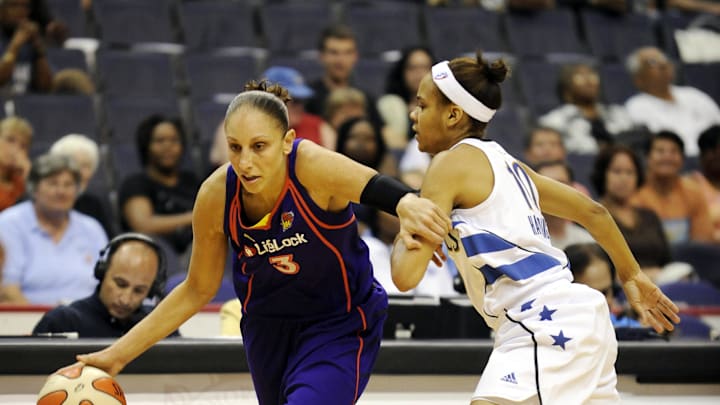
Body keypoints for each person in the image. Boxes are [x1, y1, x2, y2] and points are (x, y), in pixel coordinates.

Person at [63, 80, 450, 404]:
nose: (245, 161)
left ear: (287, 141)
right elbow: (196, 288)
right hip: (266, 330)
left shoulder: (311, 165)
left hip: (339, 323)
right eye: (235, 147)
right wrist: (117, 355)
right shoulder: (216, 193)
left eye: (259, 146)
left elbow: (377, 187)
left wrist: (411, 210)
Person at [390, 53, 679, 404]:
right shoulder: (509, 165)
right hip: (577, 316)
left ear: (453, 114)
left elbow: (405, 275)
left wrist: (407, 216)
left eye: (422, 105)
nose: (413, 115)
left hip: (543, 322)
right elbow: (594, 212)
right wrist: (631, 274)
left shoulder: (447, 164)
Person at [0, 153, 107, 305]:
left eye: (68, 185)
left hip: (86, 321)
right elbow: (7, 291)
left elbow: (107, 285)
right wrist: (48, 323)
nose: (61, 191)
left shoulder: (92, 228)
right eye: (52, 183)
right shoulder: (9, 224)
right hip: (28, 322)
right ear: (34, 188)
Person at [32, 233, 180, 338]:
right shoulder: (62, 322)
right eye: (120, 284)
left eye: (139, 290)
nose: (126, 300)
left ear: (151, 290)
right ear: (102, 273)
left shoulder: (160, 326)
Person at [209, 66, 335, 168]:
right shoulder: (236, 126)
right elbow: (233, 174)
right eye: (294, 100)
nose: (299, 106)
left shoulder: (321, 128)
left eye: (301, 101)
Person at [118, 114, 199, 256]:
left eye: (174, 140)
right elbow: (143, 225)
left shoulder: (192, 181)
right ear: (146, 146)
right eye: (160, 141)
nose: (168, 146)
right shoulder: (135, 184)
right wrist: (194, 217)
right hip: (152, 257)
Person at [590, 144, 672, 280]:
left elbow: (667, 261)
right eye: (617, 171)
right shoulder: (591, 217)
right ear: (602, 174)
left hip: (661, 287)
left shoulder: (650, 216)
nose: (624, 178)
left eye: (630, 172)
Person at [624, 46, 720, 157]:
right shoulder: (636, 107)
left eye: (664, 59)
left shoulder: (693, 95)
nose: (663, 65)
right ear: (638, 79)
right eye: (653, 62)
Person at [631, 131, 714, 244]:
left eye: (674, 151)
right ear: (647, 157)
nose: (667, 157)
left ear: (682, 160)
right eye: (660, 151)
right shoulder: (633, 193)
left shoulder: (694, 192)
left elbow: (703, 241)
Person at [539, 62, 638, 154]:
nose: (589, 81)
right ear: (566, 89)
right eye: (580, 76)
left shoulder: (618, 113)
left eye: (592, 75)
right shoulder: (555, 121)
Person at [564, 243, 643, 329]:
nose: (600, 302)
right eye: (590, 295)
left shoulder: (632, 328)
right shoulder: (552, 334)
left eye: (605, 292)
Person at [50, 133, 114, 236]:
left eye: (86, 166)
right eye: (74, 165)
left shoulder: (94, 205)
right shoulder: (44, 204)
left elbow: (109, 246)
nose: (81, 173)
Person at [377, 46, 434, 151]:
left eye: (424, 67)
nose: (419, 73)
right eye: (412, 68)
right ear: (402, 72)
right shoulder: (391, 105)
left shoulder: (443, 107)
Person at [534, 160, 595, 249]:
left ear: (573, 189)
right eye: (546, 185)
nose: (554, 192)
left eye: (561, 184)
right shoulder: (522, 241)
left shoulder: (587, 242)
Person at [0, 0, 52, 95]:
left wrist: (38, 49)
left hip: (29, 105)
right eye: (14, 5)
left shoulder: (31, 41)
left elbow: (45, 87)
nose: (20, 11)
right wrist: (14, 47)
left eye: (25, 6)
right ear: (1, 10)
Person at [686, 125, 720, 242]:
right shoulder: (690, 185)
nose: (715, 157)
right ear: (702, 156)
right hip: (706, 251)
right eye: (712, 152)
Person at [0, 116, 32, 211]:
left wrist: (29, 174)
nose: (15, 149)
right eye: (10, 140)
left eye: (23, 146)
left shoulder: (23, 181)